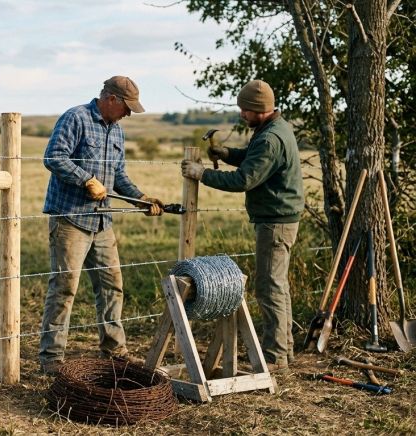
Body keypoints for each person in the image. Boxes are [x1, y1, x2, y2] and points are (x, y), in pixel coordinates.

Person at [39, 76, 164, 375]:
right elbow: (54, 157)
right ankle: (52, 359)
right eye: (127, 107)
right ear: (111, 99)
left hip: (102, 220)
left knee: (111, 285)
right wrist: (86, 180)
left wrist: (141, 199)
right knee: (65, 287)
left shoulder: (117, 131)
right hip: (71, 217)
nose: (129, 114)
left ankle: (114, 350)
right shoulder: (76, 117)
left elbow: (118, 175)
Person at [180, 79, 304, 371]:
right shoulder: (273, 129)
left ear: (259, 109)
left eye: (245, 110)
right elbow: (253, 160)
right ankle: (284, 351)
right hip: (280, 218)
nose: (241, 114)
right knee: (278, 286)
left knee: (268, 289)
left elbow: (244, 179)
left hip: (275, 222)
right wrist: (227, 154)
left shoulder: (270, 138)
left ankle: (274, 359)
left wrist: (202, 174)